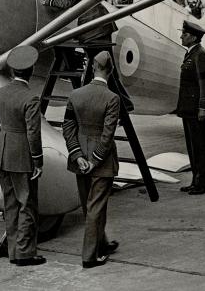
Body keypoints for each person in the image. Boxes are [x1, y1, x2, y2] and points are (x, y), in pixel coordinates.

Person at [0, 46, 46, 267]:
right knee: (27, 205)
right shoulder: (31, 98)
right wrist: (37, 160)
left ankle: (13, 252)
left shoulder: (0, 93)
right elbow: (33, 133)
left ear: (12, 71)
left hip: (2, 155)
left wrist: (3, 139)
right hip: (22, 158)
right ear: (30, 71)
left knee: (10, 205)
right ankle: (25, 254)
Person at [63, 51, 120, 269]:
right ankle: (90, 256)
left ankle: (102, 244)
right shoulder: (112, 99)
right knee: (97, 206)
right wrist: (95, 159)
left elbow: (68, 127)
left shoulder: (76, 95)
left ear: (93, 67)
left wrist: (78, 156)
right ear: (110, 70)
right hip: (101, 161)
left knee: (90, 207)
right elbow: (108, 134)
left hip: (80, 159)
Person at [176, 20, 205, 195]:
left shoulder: (201, 55)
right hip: (188, 109)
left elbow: (204, 85)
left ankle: (203, 183)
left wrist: (203, 107)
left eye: (184, 34)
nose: (181, 36)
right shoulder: (191, 53)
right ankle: (195, 180)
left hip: (196, 110)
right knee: (193, 147)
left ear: (192, 37)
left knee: (200, 147)